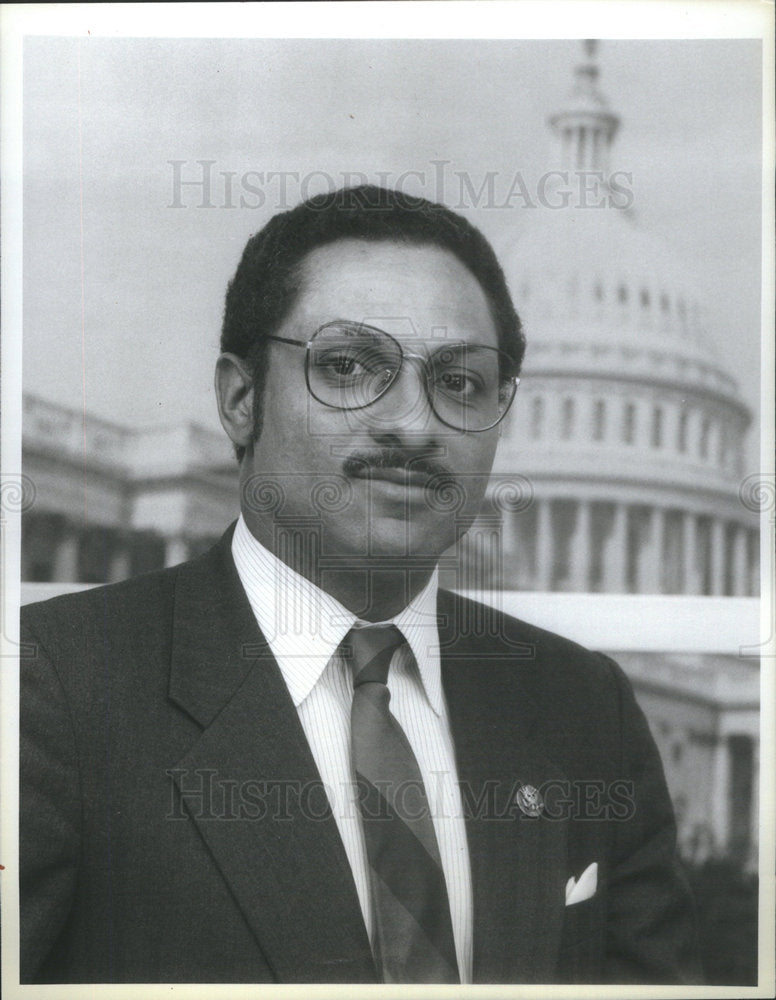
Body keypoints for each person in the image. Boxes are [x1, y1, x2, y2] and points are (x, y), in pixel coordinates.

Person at [20, 185, 701, 985]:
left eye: (460, 382)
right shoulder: (52, 690)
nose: (413, 425)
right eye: (348, 367)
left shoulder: (585, 707)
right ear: (241, 400)